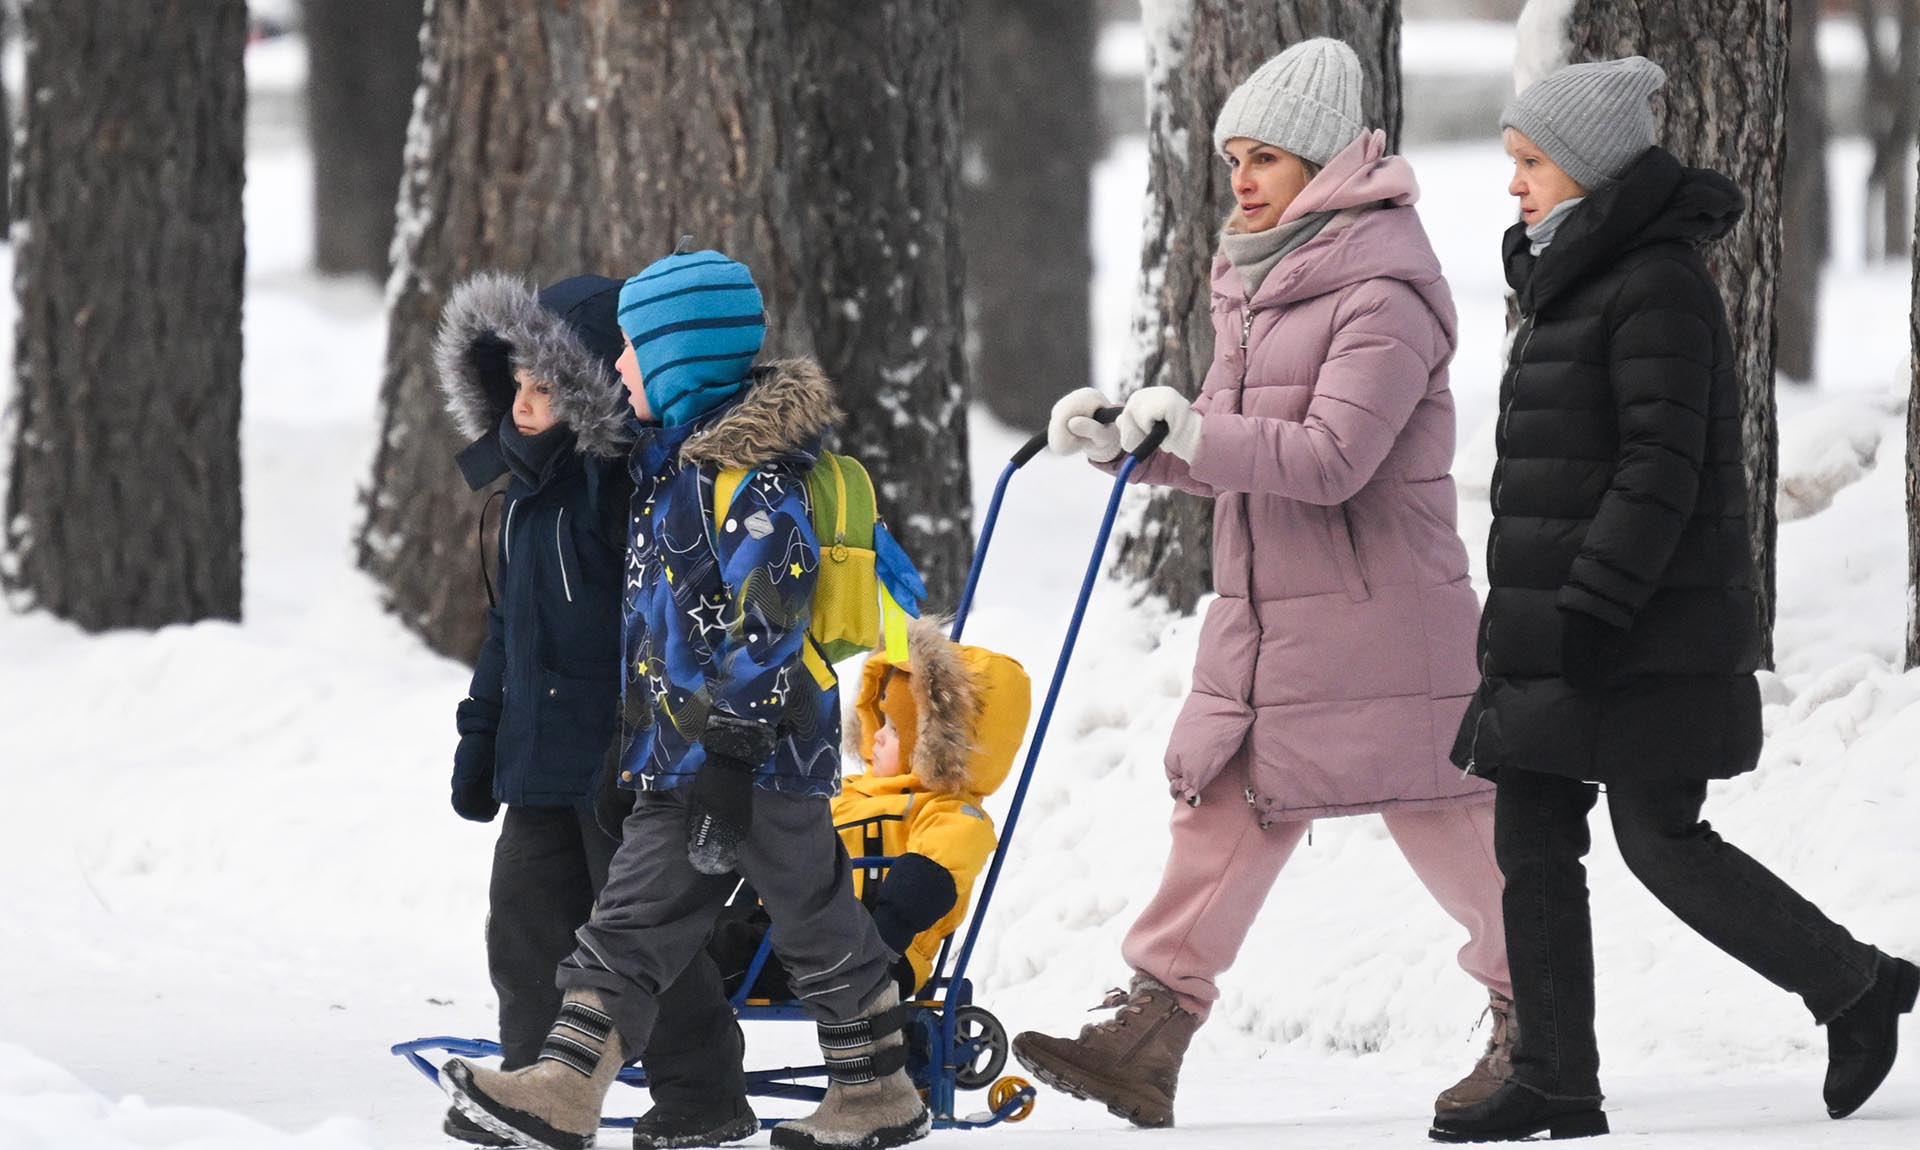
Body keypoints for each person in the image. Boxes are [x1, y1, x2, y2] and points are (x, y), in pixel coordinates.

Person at [1015, 37, 1512, 1130]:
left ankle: (1542, 1022)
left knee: (1459, 838)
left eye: (1267, 158)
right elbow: (1230, 452)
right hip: (1271, 620)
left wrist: (1198, 430)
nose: (1241, 179)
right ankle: (1148, 1030)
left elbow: (1332, 459)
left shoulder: (1384, 290)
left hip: (1385, 625)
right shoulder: (1260, 276)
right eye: (1233, 157)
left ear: (1325, 164)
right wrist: (1130, 445)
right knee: (1221, 803)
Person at [1433, 56, 1919, 1144]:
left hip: (1636, 623)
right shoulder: (1570, 274)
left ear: (1594, 169)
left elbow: (1662, 465)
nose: (1513, 182)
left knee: (1659, 837)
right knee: (1532, 831)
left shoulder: (1655, 283)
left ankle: (1856, 985)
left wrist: (1595, 603)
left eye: (1532, 162)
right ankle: (1556, 1077)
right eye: (1513, 160)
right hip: (1562, 617)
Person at [440, 248, 929, 1150]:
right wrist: (635, 746)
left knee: (812, 919)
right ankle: (564, 1088)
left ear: (679, 357)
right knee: (633, 921)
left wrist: (733, 755)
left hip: (762, 758)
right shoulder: (667, 469)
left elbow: (769, 623)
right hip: (678, 755)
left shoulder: (751, 477)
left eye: (632, 348)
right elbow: (654, 633)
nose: (618, 365)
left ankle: (877, 1091)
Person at [432, 272, 634, 1148]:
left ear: (589, 388)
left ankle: (696, 1089)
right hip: (536, 759)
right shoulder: (519, 498)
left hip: (612, 761)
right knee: (521, 923)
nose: (523, 404)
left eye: (547, 387)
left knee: (630, 940)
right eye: (517, 383)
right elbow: (506, 633)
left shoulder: (614, 491)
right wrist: (481, 736)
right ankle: (524, 1085)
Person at [709, 617, 1030, 1004]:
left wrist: (883, 940)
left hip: (870, 954)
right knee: (699, 930)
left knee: (715, 951)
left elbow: (929, 878)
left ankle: (676, 1002)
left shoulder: (949, 814)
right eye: (879, 719)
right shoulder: (848, 795)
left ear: (933, 747)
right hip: (799, 936)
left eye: (893, 729)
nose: (876, 734)